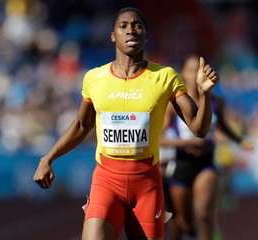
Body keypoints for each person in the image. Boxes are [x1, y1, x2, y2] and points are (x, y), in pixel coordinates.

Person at [33, 7, 219, 240]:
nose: (130, 30)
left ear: (146, 35)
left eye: (137, 25)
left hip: (147, 185)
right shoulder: (94, 78)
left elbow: (199, 129)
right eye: (123, 26)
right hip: (106, 181)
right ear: (113, 35)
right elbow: (82, 125)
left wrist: (205, 95)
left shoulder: (165, 77)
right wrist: (47, 158)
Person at [160, 55, 254, 240]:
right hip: (181, 164)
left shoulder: (216, 103)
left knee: (204, 214)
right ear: (183, 75)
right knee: (183, 223)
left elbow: (223, 126)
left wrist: (239, 140)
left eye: (200, 69)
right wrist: (187, 143)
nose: (196, 74)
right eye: (191, 69)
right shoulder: (173, 104)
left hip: (206, 163)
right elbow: (158, 138)